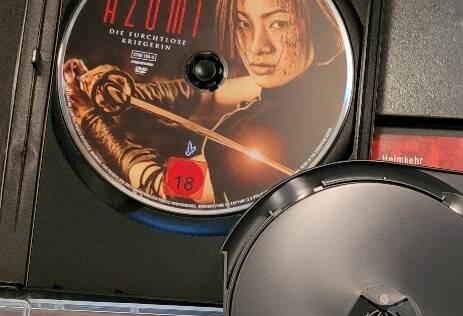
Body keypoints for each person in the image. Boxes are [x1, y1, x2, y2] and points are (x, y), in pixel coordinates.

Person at [62, 0, 350, 206]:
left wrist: (90, 118)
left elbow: (160, 184)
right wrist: (128, 93)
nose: (256, 47)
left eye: (278, 24)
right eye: (243, 24)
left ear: (313, 22)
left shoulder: (243, 144)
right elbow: (210, 97)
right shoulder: (321, 78)